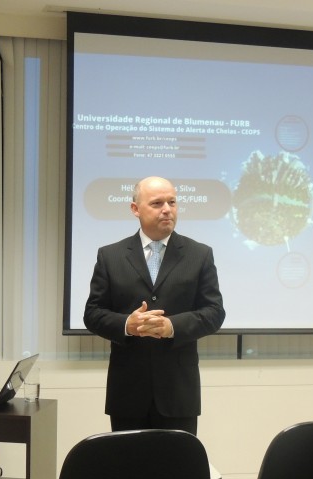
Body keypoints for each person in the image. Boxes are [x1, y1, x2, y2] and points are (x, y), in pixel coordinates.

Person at [84, 176, 226, 435]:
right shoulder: (110, 256)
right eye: (157, 203)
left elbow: (214, 312)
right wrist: (127, 324)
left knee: (177, 461)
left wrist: (172, 326)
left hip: (178, 392)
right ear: (135, 209)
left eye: (172, 202)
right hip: (127, 392)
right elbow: (93, 314)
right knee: (128, 461)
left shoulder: (199, 254)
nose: (167, 209)